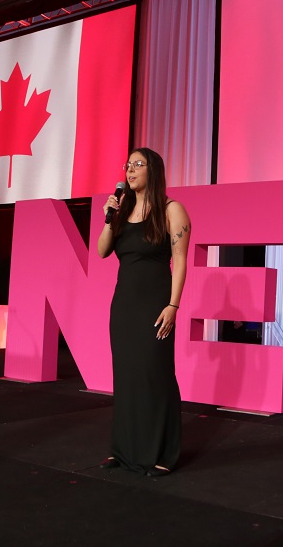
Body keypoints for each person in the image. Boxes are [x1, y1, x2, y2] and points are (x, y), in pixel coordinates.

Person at [97, 148, 191, 476]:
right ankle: (123, 451)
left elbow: (179, 260)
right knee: (126, 378)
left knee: (155, 375)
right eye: (128, 165)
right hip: (123, 307)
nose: (130, 169)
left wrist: (173, 304)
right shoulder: (121, 211)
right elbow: (102, 250)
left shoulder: (171, 209)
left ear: (153, 171)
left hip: (155, 305)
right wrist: (110, 215)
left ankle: (163, 453)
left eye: (138, 164)